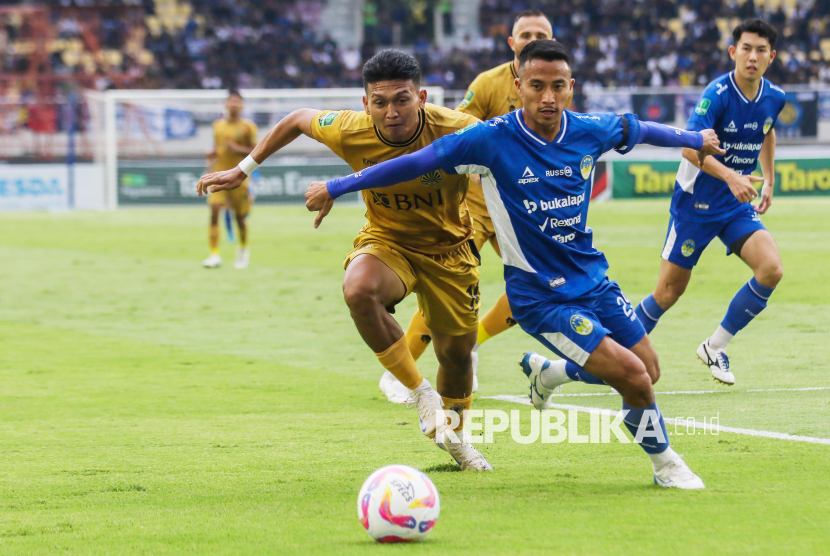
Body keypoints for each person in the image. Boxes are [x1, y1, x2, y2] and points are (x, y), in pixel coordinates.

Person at [306, 40, 725, 488]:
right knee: (634, 377)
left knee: (648, 369)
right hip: (539, 295)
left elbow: (637, 130)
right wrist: (337, 186)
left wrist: (694, 138)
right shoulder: (490, 139)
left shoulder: (588, 129)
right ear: (519, 85)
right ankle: (666, 465)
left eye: (557, 87)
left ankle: (551, 373)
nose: (547, 97)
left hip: (594, 280)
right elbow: (412, 163)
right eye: (537, 86)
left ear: (571, 88)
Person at [197, 50, 492, 471]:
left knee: (458, 356)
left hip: (450, 251)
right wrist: (243, 169)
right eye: (380, 101)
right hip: (388, 240)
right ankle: (419, 391)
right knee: (359, 288)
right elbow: (297, 118)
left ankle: (459, 440)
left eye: (402, 99)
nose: (391, 112)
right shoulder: (351, 130)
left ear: (422, 97)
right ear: (365, 103)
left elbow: (505, 155)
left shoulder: (458, 127)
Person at [385, 9, 558, 405]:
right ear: (511, 43)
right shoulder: (487, 84)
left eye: (541, 33)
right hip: (477, 207)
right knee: (448, 287)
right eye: (525, 33)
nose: (532, 38)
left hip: (524, 207)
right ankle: (400, 373)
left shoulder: (555, 85)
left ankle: (473, 343)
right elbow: (458, 131)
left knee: (538, 285)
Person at [633, 19, 786, 386]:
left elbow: (767, 130)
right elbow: (689, 147)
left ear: (771, 57)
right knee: (668, 293)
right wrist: (732, 176)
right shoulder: (716, 94)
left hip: (735, 205)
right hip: (695, 204)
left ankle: (714, 347)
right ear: (733, 52)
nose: (752, 56)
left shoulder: (775, 97)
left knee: (771, 269)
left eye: (760, 50)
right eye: (745, 48)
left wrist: (769, 180)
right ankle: (610, 350)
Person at [202, 90, 258, 269]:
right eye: (230, 101)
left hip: (239, 178)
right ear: (225, 104)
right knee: (214, 211)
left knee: (240, 218)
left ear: (242, 105)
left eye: (237, 102)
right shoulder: (217, 125)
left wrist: (237, 148)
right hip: (219, 175)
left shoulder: (248, 127)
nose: (233, 104)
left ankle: (243, 250)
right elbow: (217, 148)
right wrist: (211, 158)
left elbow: (256, 151)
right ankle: (214, 254)